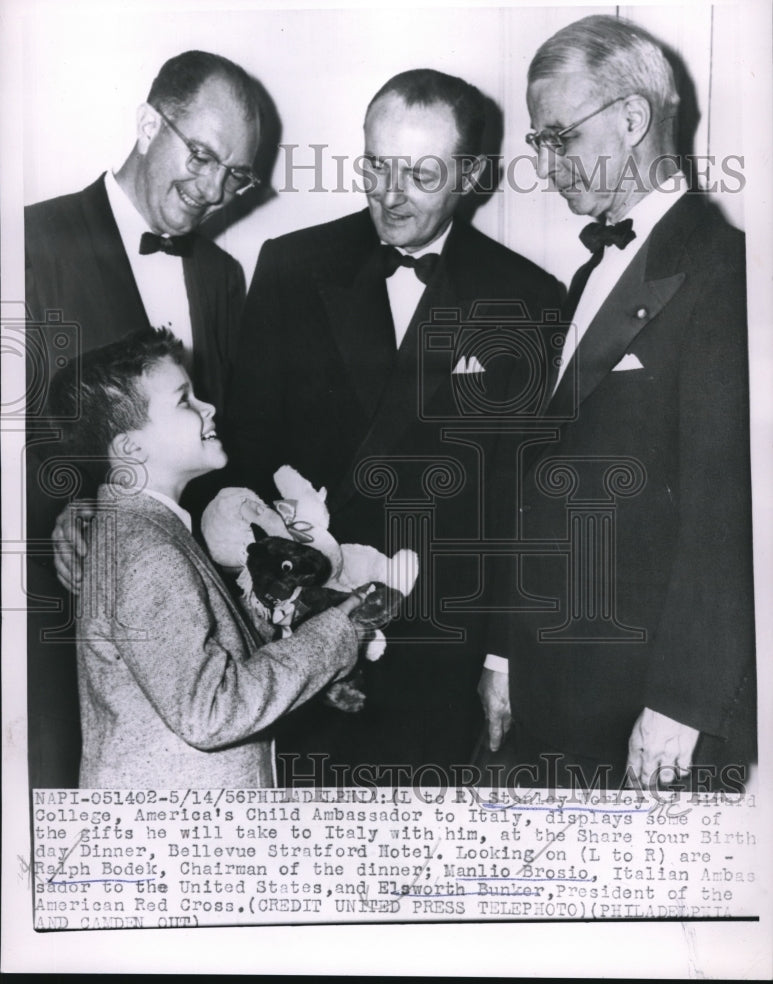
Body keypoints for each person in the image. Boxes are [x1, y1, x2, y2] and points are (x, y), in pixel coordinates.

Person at [224, 68, 563, 784]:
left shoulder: (526, 298)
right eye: (376, 165)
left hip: (440, 651)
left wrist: (500, 659)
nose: (388, 194)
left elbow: (519, 506)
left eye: (419, 173)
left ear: (470, 175)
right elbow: (245, 459)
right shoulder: (290, 267)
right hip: (302, 638)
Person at [477, 15, 755, 791]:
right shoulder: (584, 277)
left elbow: (723, 510)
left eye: (557, 136)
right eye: (537, 142)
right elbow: (536, 487)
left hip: (644, 713)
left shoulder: (722, 272)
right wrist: (503, 654)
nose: (544, 164)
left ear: (631, 120)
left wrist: (682, 701)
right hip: (552, 689)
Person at [25, 50, 263, 786]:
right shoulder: (34, 241)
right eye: (201, 156)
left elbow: (225, 435)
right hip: (60, 616)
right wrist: (66, 501)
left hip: (187, 624)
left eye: (235, 175)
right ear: (146, 124)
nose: (213, 189)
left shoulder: (221, 277)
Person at [48, 328, 362, 787]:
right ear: (132, 448)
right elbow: (209, 713)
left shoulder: (144, 529)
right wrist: (334, 635)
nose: (207, 407)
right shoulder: (147, 551)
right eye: (184, 400)